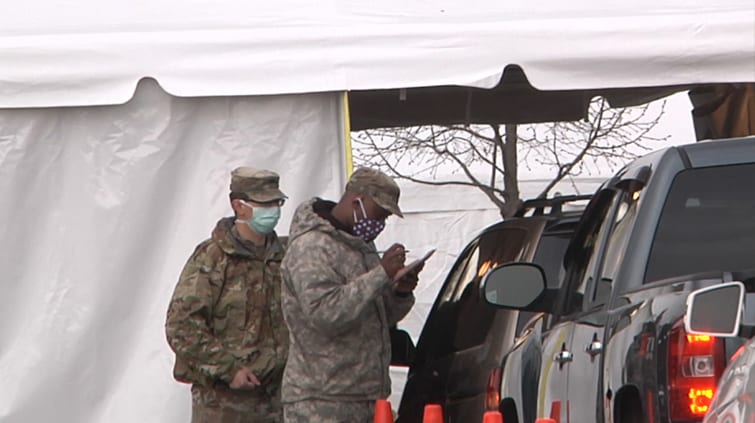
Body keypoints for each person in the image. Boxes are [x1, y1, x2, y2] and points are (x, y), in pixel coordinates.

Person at [280, 167, 421, 423]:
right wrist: (380, 274)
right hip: (322, 400)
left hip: (365, 395)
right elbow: (325, 314)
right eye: (380, 214)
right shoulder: (311, 247)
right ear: (358, 201)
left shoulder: (361, 247)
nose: (381, 224)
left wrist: (399, 291)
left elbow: (376, 317)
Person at [165, 167, 289, 423]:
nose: (273, 211)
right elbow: (181, 325)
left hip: (278, 401)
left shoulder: (285, 256)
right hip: (225, 404)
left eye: (277, 203)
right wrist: (228, 369)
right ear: (238, 206)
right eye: (264, 204)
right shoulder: (213, 257)